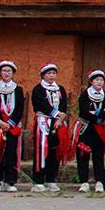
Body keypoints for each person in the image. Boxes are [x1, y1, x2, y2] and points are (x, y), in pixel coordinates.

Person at [30, 63, 69, 193]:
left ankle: (51, 179)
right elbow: (41, 105)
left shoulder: (60, 89)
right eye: (48, 73)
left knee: (54, 151)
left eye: (53, 73)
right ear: (43, 75)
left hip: (57, 123)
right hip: (43, 122)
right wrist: (56, 114)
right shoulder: (38, 89)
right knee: (41, 150)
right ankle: (38, 180)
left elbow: (63, 105)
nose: (51, 76)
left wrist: (59, 119)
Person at [74, 69, 105, 193]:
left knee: (98, 156)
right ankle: (84, 182)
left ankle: (99, 182)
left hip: (99, 130)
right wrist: (100, 114)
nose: (99, 82)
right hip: (86, 129)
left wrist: (96, 113)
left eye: (101, 80)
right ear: (91, 81)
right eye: (97, 80)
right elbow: (84, 112)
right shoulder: (84, 95)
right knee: (83, 156)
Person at [0, 61, 26, 193]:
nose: (6, 73)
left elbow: (19, 109)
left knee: (11, 153)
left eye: (9, 71)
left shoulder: (18, 90)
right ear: (0, 73)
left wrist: (9, 123)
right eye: (4, 71)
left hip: (12, 127)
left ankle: (11, 181)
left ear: (13, 73)